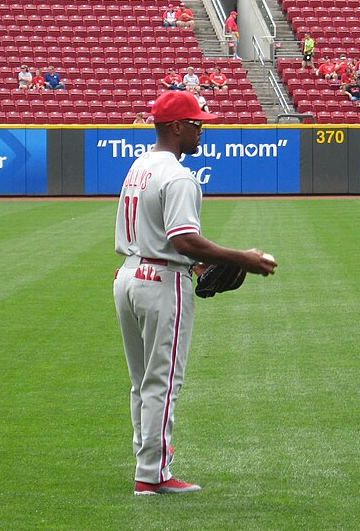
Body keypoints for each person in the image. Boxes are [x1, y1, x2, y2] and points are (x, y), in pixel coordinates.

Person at [113, 90, 277, 496]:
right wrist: (243, 258)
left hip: (128, 278)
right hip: (163, 283)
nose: (203, 129)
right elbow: (183, 239)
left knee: (143, 383)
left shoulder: (141, 165)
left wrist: (201, 264)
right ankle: (153, 475)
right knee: (163, 383)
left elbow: (160, 233)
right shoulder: (179, 175)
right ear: (176, 127)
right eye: (197, 123)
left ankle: (147, 467)